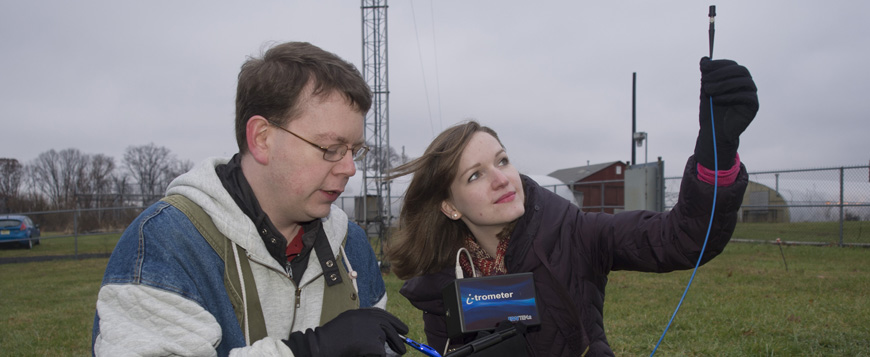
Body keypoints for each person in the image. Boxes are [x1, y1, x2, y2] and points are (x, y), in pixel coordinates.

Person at [387, 57, 758, 356]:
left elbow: (683, 236)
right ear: (450, 207)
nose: (501, 179)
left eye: (502, 161)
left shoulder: (574, 233)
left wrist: (716, 153)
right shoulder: (443, 281)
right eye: (475, 176)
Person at [92, 42, 408, 356]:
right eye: (330, 148)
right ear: (261, 138)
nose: (349, 168)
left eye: (356, 150)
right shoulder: (167, 244)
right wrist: (305, 351)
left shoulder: (350, 246)